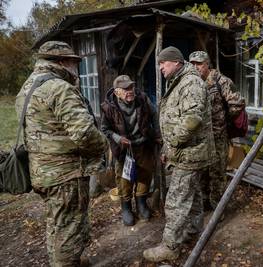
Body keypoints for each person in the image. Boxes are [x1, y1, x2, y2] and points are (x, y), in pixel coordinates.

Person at [15, 41, 108, 266]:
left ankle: (64, 260)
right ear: (60, 62)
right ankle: (67, 261)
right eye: (72, 62)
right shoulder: (58, 88)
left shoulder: (27, 88)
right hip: (66, 174)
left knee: (56, 223)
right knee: (69, 228)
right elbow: (84, 133)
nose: (75, 67)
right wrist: (104, 145)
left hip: (41, 172)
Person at [143, 46, 215, 262]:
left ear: (175, 62)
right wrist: (169, 148)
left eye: (162, 63)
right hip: (186, 152)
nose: (160, 68)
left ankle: (171, 246)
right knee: (192, 196)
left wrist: (171, 143)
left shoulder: (190, 83)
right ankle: (193, 230)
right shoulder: (179, 81)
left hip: (190, 153)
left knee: (175, 201)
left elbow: (192, 120)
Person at [101, 75, 160, 225]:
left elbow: (154, 114)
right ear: (117, 92)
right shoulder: (109, 107)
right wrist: (118, 138)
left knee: (145, 174)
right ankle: (126, 207)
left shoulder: (142, 99)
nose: (130, 91)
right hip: (124, 150)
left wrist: (157, 133)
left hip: (143, 145)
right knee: (124, 179)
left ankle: (141, 203)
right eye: (126, 89)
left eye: (131, 88)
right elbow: (105, 129)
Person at [189, 51, 245, 211]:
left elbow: (237, 104)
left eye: (198, 63)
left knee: (218, 175)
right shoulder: (193, 83)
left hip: (218, 137)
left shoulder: (222, 81)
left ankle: (217, 209)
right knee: (202, 173)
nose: (195, 67)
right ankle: (205, 203)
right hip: (200, 139)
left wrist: (224, 120)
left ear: (207, 64)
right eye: (192, 64)